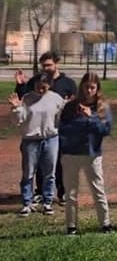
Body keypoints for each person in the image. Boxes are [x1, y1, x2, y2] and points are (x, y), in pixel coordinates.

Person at [15, 51, 77, 205]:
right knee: (41, 163)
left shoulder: (67, 83)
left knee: (61, 162)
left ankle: (62, 192)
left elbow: (74, 101)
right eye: (43, 66)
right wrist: (21, 84)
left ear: (57, 64)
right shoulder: (37, 81)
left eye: (49, 65)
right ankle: (41, 192)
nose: (46, 68)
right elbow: (23, 99)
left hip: (61, 128)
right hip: (40, 128)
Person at [58, 73, 113, 235]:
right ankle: (71, 226)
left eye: (92, 87)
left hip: (92, 154)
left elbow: (105, 130)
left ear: (97, 89)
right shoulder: (71, 106)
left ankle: (106, 224)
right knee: (71, 192)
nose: (89, 90)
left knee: (98, 189)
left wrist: (91, 119)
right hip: (71, 154)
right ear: (81, 86)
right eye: (86, 86)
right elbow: (63, 129)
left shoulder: (102, 107)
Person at [8, 73, 66, 217]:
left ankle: (47, 202)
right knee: (28, 173)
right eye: (39, 87)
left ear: (49, 86)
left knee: (49, 173)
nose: (41, 90)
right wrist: (16, 108)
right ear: (34, 85)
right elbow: (18, 121)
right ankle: (27, 203)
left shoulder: (55, 98)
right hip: (31, 140)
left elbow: (61, 117)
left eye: (44, 88)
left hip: (51, 138)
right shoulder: (27, 98)